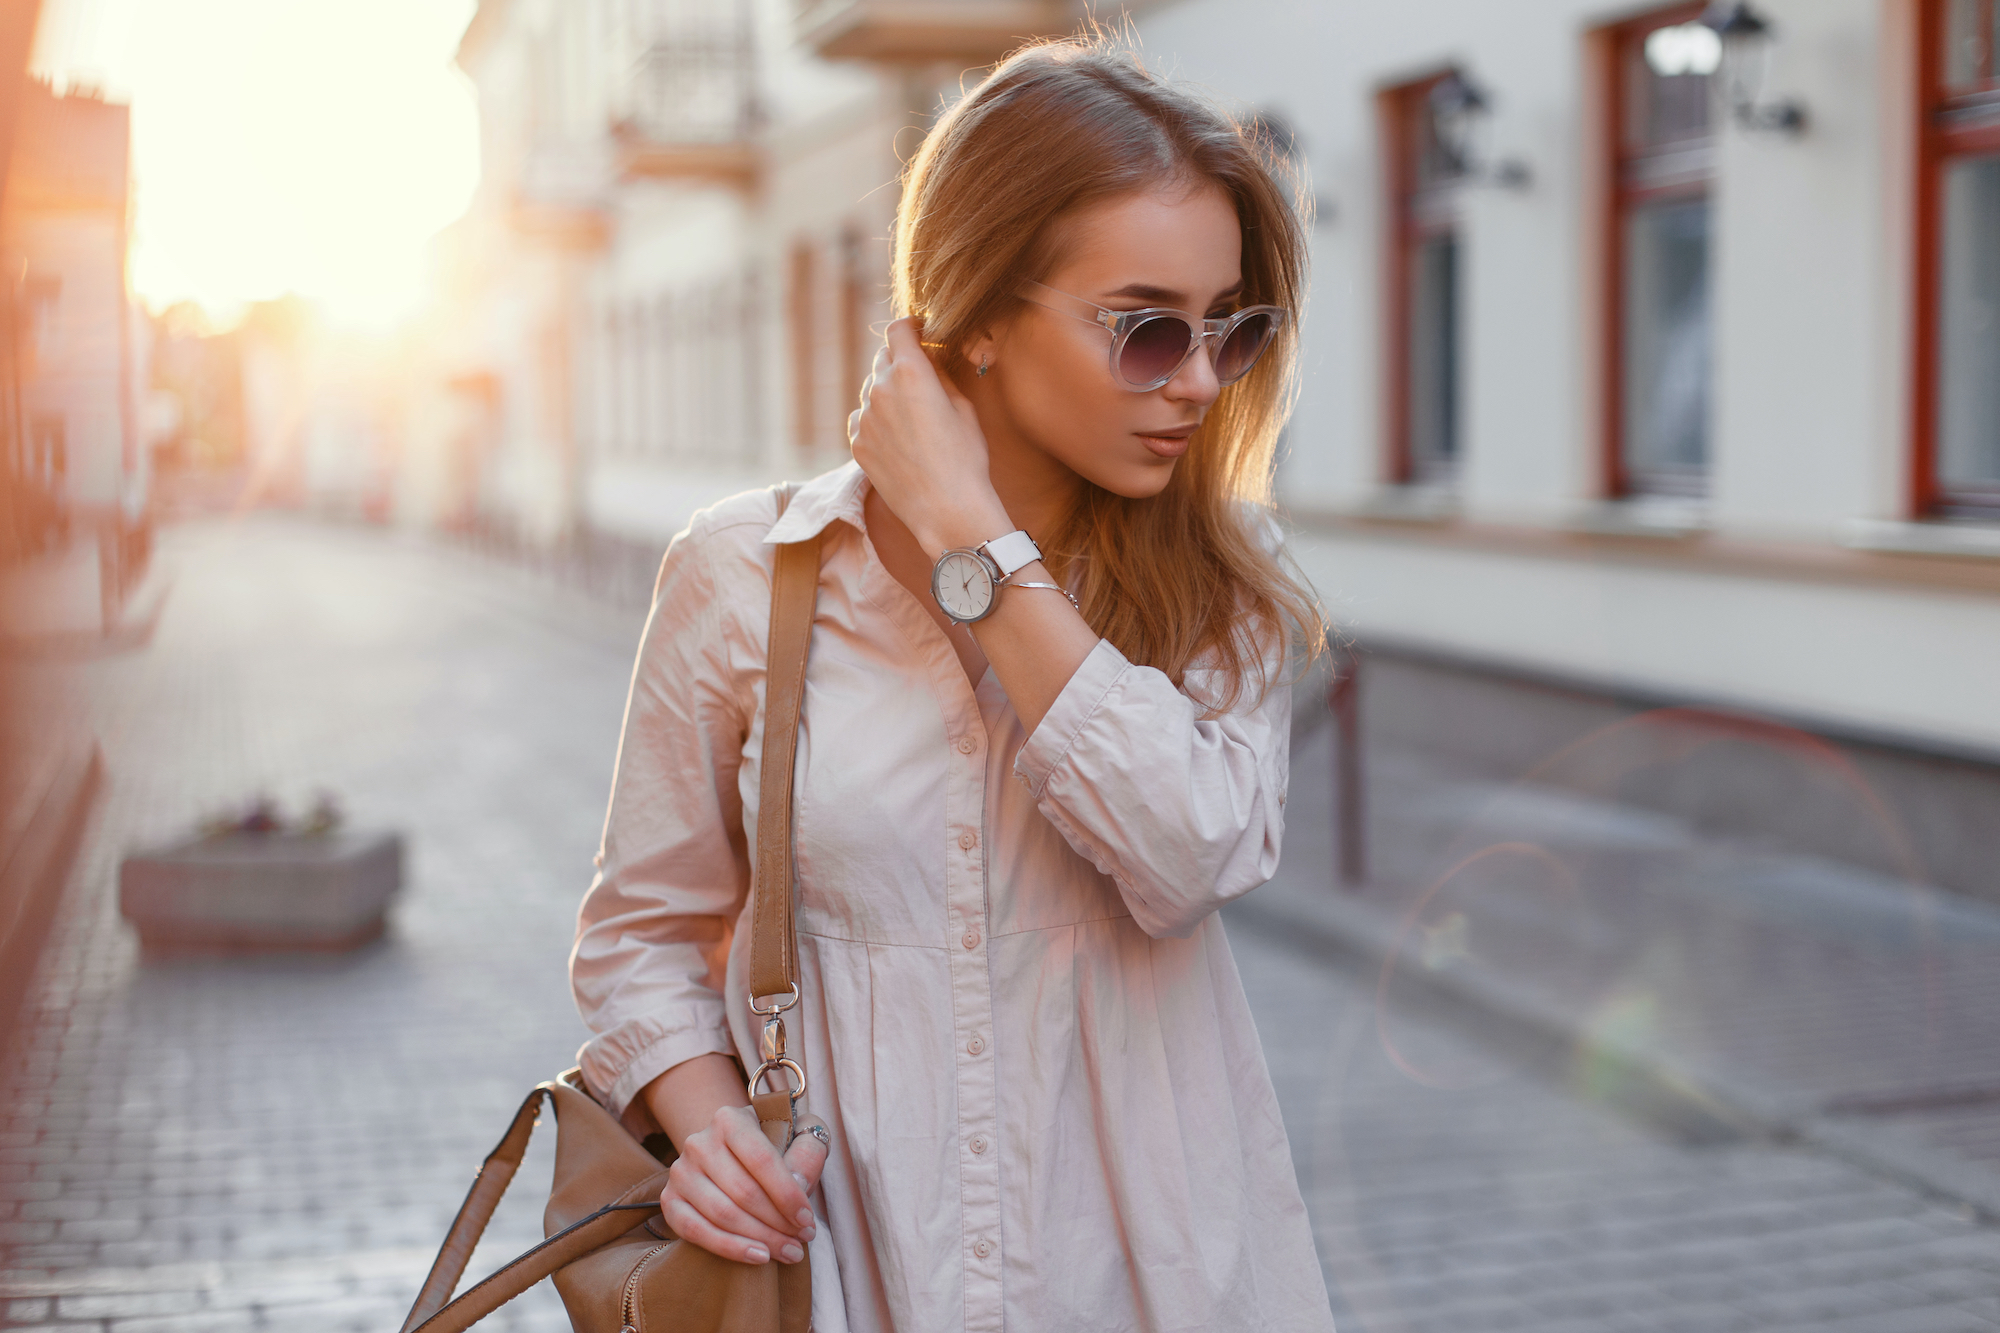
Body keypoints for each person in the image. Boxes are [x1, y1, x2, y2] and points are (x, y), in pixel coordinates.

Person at [571, 37, 1336, 1333]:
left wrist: (976, 547)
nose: (1202, 382)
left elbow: (1192, 851)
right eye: (1147, 330)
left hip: (1152, 1280)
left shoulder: (1227, 577)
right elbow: (640, 935)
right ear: (979, 313)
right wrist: (709, 1134)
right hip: (855, 1272)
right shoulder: (743, 573)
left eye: (1232, 328)